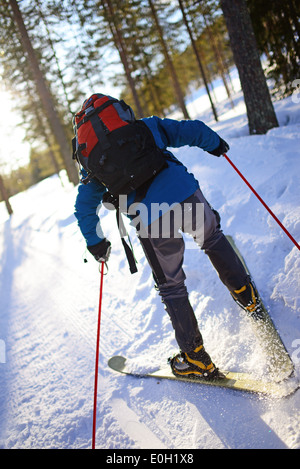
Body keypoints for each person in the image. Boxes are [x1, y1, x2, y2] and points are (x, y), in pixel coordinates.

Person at [74, 101, 263, 381]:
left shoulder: (92, 165)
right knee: (212, 238)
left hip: (149, 218)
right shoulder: (144, 127)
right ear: (119, 114)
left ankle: (196, 357)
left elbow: (84, 208)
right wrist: (214, 144)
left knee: (172, 285)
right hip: (186, 193)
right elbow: (190, 130)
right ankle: (246, 295)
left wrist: (97, 243)